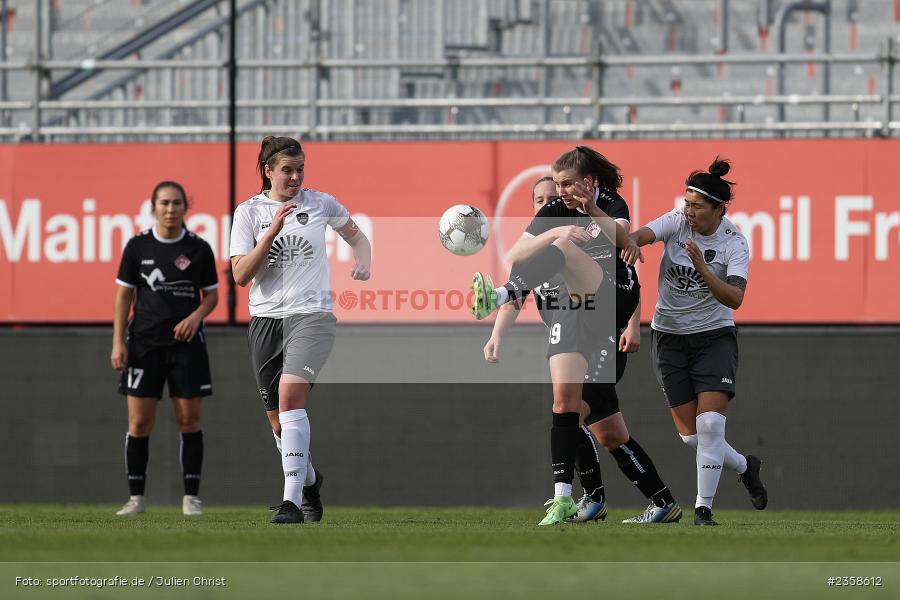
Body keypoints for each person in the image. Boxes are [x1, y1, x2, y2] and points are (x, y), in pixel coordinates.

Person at [482, 170, 681, 525]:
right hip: (573, 338)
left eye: (552, 199)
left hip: (603, 334)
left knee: (569, 411)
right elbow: (517, 297)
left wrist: (633, 326)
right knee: (609, 432)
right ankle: (661, 501)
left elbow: (626, 280)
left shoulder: (582, 236)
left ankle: (587, 497)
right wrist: (496, 336)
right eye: (541, 201)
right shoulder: (532, 253)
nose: (549, 204)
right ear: (534, 209)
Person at [230, 136, 371, 524]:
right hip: (265, 322)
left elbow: (357, 237)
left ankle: (291, 503)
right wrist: (270, 233)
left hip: (312, 316)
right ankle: (309, 480)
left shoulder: (320, 202)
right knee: (279, 423)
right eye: (287, 170)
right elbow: (241, 275)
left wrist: (364, 261)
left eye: (300, 169)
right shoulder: (248, 213)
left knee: (290, 396)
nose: (295, 177)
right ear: (268, 171)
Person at [621, 157, 768, 526]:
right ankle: (745, 465)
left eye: (697, 206)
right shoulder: (676, 220)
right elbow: (641, 235)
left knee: (711, 428)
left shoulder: (735, 242)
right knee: (692, 438)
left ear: (720, 210)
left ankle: (703, 508)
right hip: (669, 337)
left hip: (714, 338)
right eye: (686, 202)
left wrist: (703, 268)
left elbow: (735, 299)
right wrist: (631, 244)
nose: (689, 211)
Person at [111, 181, 219, 516]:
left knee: (189, 420)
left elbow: (212, 295)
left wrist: (196, 317)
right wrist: (118, 341)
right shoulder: (137, 247)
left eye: (177, 203)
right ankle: (136, 498)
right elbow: (124, 295)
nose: (171, 209)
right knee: (139, 423)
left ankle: (191, 497)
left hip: (186, 347)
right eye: (164, 203)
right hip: (143, 345)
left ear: (186, 207)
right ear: (153, 207)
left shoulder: (199, 249)